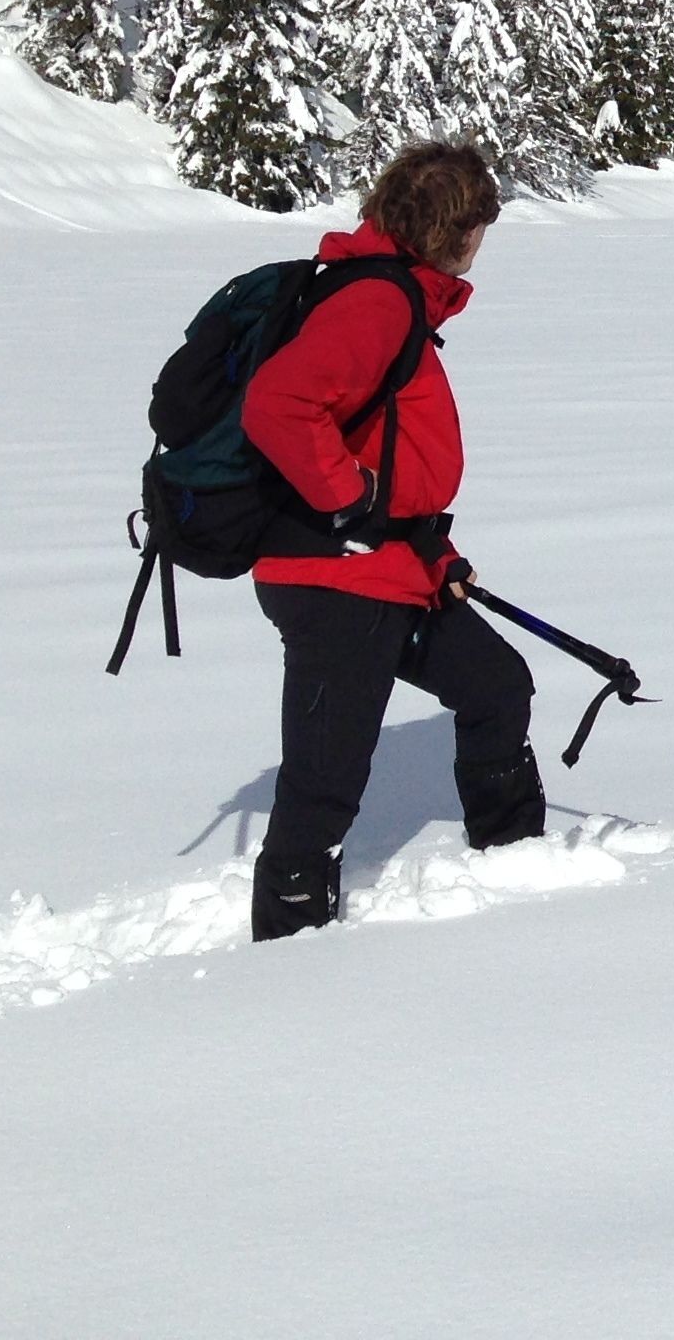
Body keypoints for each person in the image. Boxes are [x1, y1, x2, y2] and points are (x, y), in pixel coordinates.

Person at [241, 140, 540, 941]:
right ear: (455, 229)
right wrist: (352, 505)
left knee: (497, 686)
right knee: (325, 782)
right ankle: (287, 958)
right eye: (479, 225)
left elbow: (386, 445)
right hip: (334, 579)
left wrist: (426, 545)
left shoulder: (393, 295)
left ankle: (518, 864)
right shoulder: (377, 303)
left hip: (390, 567)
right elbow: (278, 403)